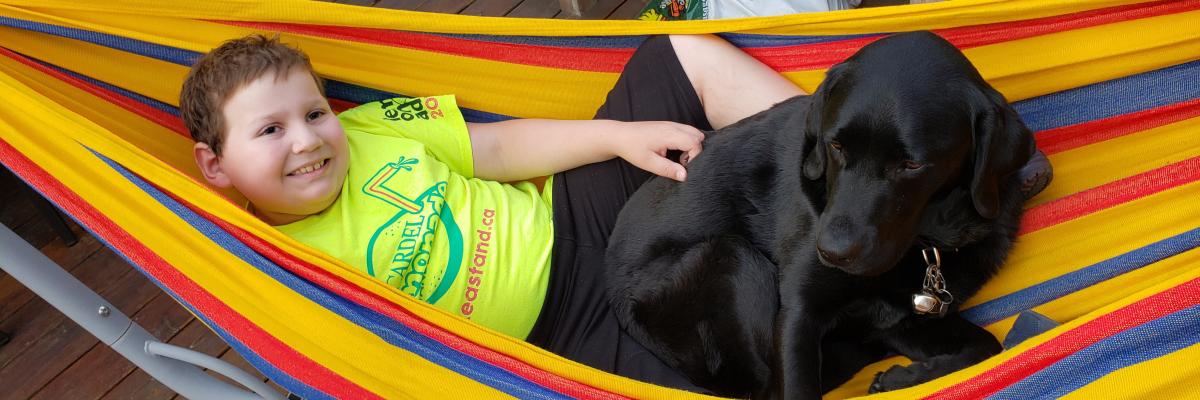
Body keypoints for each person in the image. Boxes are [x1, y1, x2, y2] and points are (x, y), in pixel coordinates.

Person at [180, 33, 1050, 391]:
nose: (308, 140)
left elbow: (496, 149)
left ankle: (842, 164)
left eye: (313, 113)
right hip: (565, 334)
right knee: (726, 360)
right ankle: (871, 301)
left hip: (573, 220)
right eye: (271, 130)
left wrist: (616, 137)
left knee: (676, 46)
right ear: (216, 169)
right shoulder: (269, 261)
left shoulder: (369, 130)